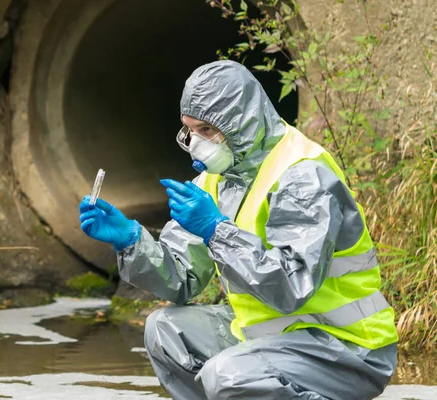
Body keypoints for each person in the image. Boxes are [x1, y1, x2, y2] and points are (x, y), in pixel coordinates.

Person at [78, 60, 398, 400]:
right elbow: (182, 279)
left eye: (206, 130)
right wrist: (131, 240)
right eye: (189, 131)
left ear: (240, 121)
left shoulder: (303, 174)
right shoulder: (218, 176)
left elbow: (291, 287)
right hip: (276, 339)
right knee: (165, 330)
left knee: (228, 375)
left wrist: (217, 231)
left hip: (346, 347)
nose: (196, 143)